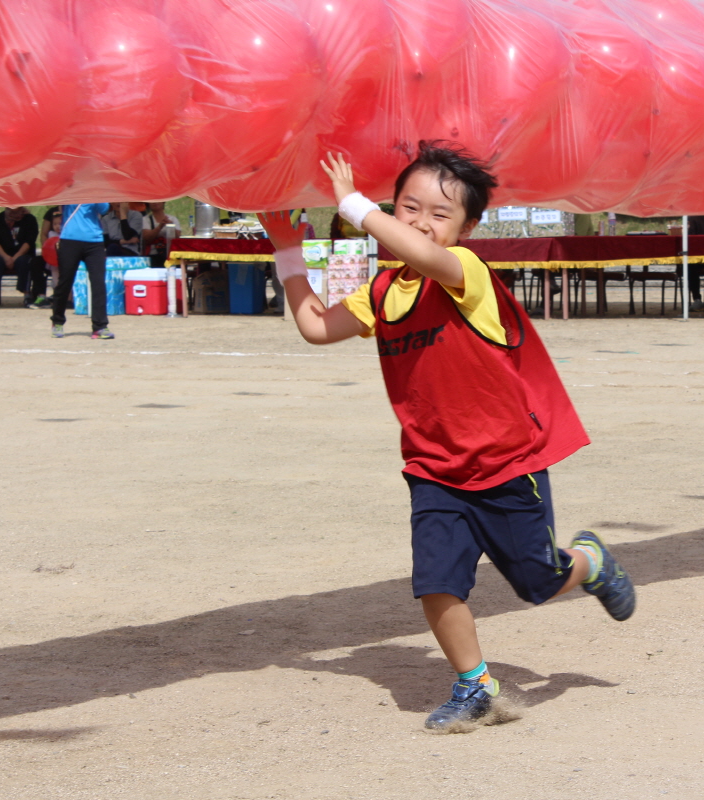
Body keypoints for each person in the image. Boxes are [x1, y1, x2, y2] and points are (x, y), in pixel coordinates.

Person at [257, 141, 635, 733]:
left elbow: (421, 253)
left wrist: (353, 203)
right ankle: (475, 683)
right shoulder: (382, 292)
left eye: (439, 214)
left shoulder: (467, 273)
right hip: (433, 468)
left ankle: (590, 561)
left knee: (536, 583)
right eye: (408, 208)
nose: (419, 223)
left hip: (507, 465)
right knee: (437, 582)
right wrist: (286, 251)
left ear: (468, 227)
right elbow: (314, 327)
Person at [51, 203, 122, 340]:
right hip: (69, 239)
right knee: (65, 282)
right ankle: (57, 321)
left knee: (98, 283)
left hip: (94, 240)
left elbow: (104, 209)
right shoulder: (68, 184)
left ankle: (100, 326)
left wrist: (95, 194)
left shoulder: (96, 189)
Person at [0, 206, 43, 309]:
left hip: (23, 254)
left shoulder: (29, 219)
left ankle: (27, 295)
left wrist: (15, 258)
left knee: (24, 262)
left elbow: (29, 242)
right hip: (3, 253)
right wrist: (5, 257)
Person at [143, 202, 179, 268]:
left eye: (158, 200)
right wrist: (160, 226)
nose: (155, 203)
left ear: (163, 202)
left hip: (170, 253)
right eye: (152, 201)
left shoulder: (173, 219)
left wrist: (171, 226)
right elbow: (147, 239)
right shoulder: (146, 219)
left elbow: (177, 238)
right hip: (153, 254)